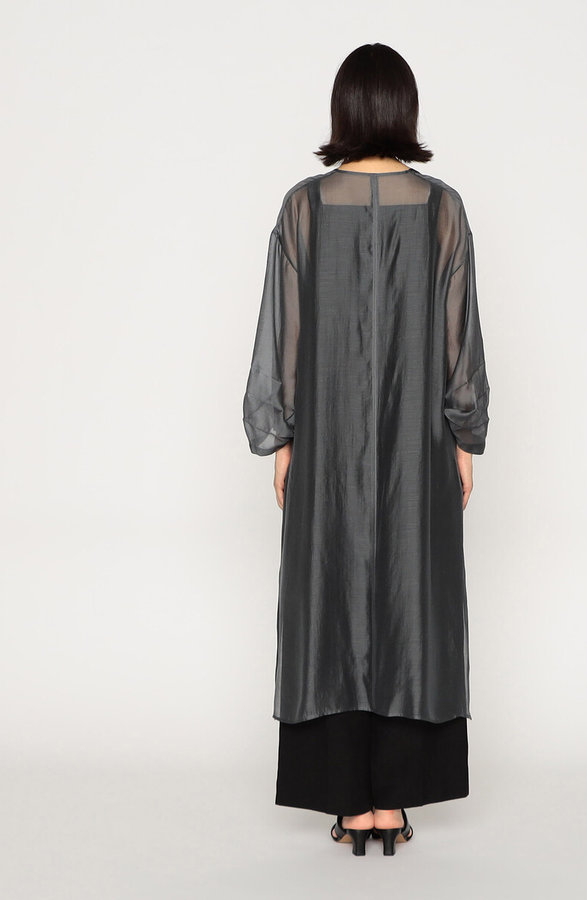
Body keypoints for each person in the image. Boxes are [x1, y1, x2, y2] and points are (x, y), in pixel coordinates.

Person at [242, 43, 490, 857]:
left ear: (343, 110)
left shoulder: (305, 207)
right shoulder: (442, 208)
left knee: (332, 596)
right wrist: (464, 435)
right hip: (419, 448)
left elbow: (284, 331)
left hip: (325, 448)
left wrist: (279, 436)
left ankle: (349, 801)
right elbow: (459, 338)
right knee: (411, 599)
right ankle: (394, 802)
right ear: (404, 109)